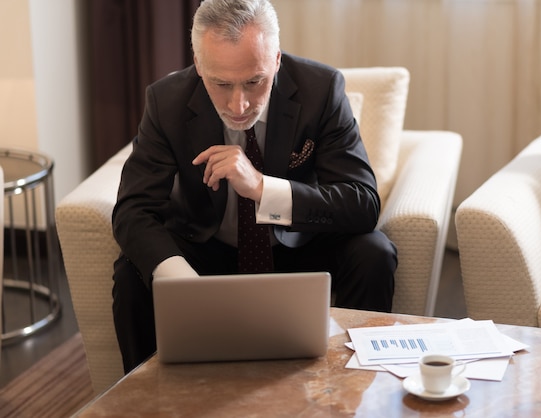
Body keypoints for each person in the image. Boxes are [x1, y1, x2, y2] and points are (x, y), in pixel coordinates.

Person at [112, 0, 397, 373]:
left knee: (374, 252)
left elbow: (362, 203)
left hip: (298, 252)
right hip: (205, 253)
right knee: (132, 272)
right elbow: (132, 210)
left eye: (254, 81)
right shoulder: (166, 101)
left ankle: (356, 385)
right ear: (199, 66)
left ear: (276, 60)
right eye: (221, 84)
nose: (239, 104)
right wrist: (182, 286)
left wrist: (263, 188)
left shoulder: (321, 90)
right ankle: (146, 403)